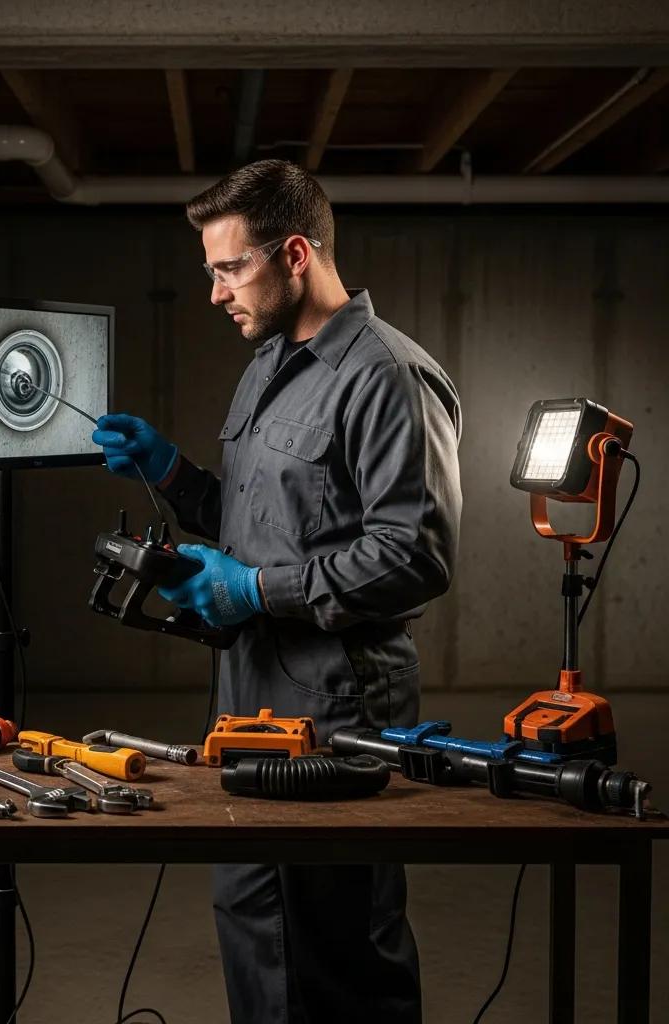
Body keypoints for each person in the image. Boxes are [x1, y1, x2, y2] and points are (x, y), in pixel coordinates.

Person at [91, 159, 462, 1023]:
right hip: (249, 698)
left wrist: (255, 590)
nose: (216, 292)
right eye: (210, 271)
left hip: (339, 706)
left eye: (230, 268)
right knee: (258, 928)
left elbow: (417, 555)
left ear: (294, 252)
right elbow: (261, 521)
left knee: (335, 947)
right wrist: (173, 473)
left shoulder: (386, 377)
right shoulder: (267, 363)